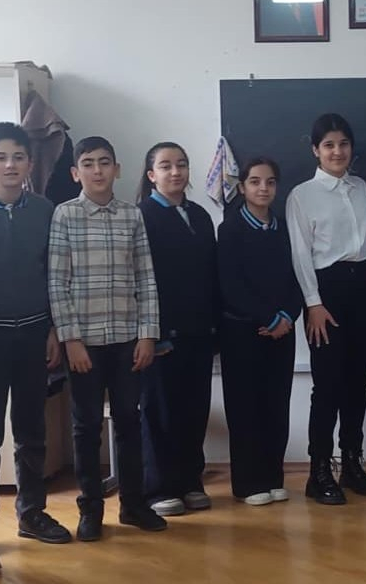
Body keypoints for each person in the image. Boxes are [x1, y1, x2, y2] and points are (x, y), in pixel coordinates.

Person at [0, 123, 72, 555]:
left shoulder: (45, 211)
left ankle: (31, 513)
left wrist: (54, 329)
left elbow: (55, 274)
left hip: (33, 335)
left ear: (29, 163)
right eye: (1, 157)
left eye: (19, 157)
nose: (10, 165)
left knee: (32, 430)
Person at [48, 136, 165, 541]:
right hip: (84, 344)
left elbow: (146, 278)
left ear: (117, 169)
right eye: (88, 163)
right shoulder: (64, 215)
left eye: (104, 162)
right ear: (75, 172)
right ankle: (91, 510)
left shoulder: (132, 215)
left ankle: (133, 504)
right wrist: (71, 340)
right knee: (86, 427)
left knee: (129, 421)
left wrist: (147, 335)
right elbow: (57, 282)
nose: (97, 170)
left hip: (127, 339)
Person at [286, 113, 366, 505]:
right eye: (328, 145)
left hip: (365, 288)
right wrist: (313, 303)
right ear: (315, 150)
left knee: (357, 383)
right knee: (327, 385)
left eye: (343, 144)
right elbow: (300, 254)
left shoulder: (362, 188)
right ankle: (319, 470)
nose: (337, 151)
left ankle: (352, 461)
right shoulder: (302, 195)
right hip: (327, 292)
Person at [136, 142, 221, 517]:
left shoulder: (199, 215)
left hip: (199, 332)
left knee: (193, 409)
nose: (175, 172)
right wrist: (153, 333)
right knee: (160, 412)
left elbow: (210, 274)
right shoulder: (142, 216)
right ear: (151, 175)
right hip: (160, 335)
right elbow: (141, 281)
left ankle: (190, 481)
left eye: (182, 164)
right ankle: (159, 487)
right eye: (166, 166)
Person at [218, 157, 304, 506]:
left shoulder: (284, 227)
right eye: (255, 182)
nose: (263, 188)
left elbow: (298, 276)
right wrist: (267, 317)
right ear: (242, 187)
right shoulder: (230, 229)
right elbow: (231, 285)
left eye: (270, 182)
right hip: (243, 332)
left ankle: (273, 476)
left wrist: (287, 315)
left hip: (282, 331)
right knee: (246, 407)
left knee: (276, 404)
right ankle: (248, 483)